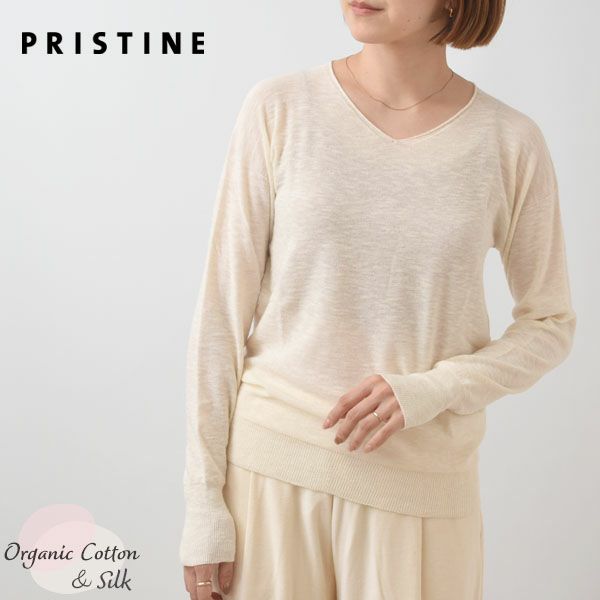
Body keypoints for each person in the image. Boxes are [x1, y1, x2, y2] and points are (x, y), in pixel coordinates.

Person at [180, 1, 577, 599]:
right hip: (272, 473)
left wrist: (434, 388)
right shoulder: (280, 108)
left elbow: (550, 323)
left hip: (420, 489)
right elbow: (219, 316)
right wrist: (204, 504)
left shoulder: (508, 141)